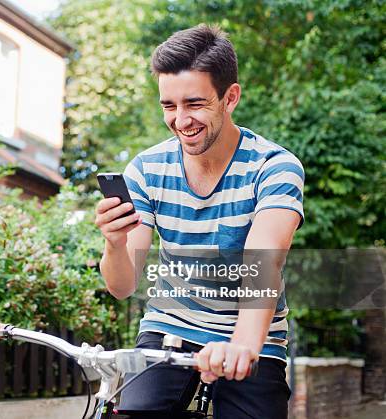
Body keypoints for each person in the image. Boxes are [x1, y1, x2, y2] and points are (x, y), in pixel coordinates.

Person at [94, 24, 304, 419]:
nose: (180, 120)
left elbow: (265, 263)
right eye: (168, 106)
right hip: (169, 325)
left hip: (250, 334)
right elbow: (122, 287)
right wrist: (114, 243)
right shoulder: (147, 169)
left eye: (194, 103)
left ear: (231, 97)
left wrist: (241, 347)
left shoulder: (274, 167)